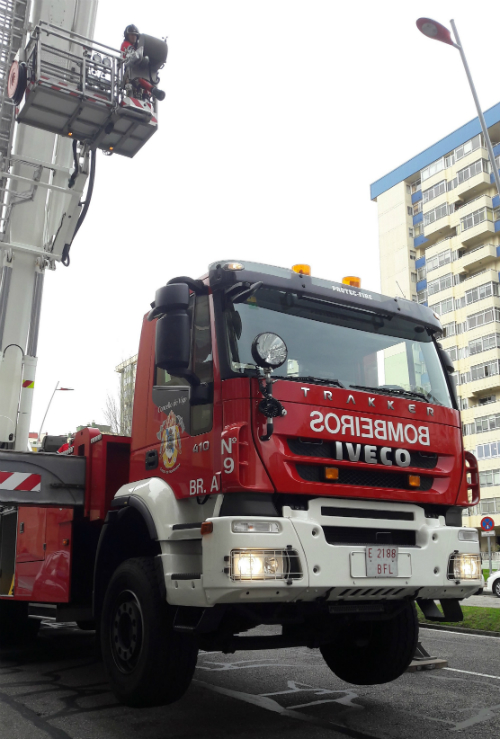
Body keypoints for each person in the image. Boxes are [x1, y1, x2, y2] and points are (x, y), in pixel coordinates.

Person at [120, 24, 165, 101]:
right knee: (139, 79)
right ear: (127, 36)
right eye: (131, 35)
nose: (133, 37)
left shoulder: (137, 48)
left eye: (135, 35)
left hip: (138, 71)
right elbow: (132, 56)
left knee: (145, 77)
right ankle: (152, 90)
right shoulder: (126, 44)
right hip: (130, 71)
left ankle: (146, 95)